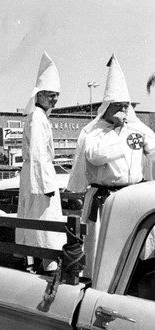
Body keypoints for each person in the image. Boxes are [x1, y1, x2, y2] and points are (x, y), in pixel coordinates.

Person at [67, 54, 155, 278]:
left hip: (131, 196)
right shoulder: (94, 132)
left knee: (133, 245)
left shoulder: (135, 130)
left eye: (125, 106)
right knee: (104, 249)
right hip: (105, 199)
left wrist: (136, 135)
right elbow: (96, 156)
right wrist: (117, 132)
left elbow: (153, 148)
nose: (123, 111)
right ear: (106, 107)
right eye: (117, 106)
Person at [15, 52, 66, 274]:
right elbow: (37, 154)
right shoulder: (37, 118)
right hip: (39, 179)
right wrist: (44, 186)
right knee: (44, 222)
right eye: (50, 95)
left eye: (56, 95)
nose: (54, 99)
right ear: (39, 95)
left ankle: (45, 264)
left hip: (39, 176)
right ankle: (49, 267)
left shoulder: (40, 117)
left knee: (41, 223)